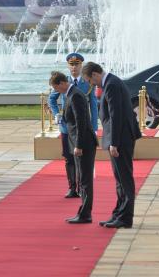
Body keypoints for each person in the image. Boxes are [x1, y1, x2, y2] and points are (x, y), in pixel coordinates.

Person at [82, 62, 142, 229]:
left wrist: (114, 143)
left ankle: (125, 218)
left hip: (120, 140)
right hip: (119, 138)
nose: (91, 84)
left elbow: (116, 116)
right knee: (120, 180)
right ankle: (119, 213)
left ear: (95, 74)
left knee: (124, 179)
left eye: (89, 80)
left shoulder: (112, 85)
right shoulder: (111, 83)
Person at [49, 71, 98, 224]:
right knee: (82, 178)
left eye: (56, 88)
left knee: (85, 179)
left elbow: (81, 122)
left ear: (62, 83)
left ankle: (86, 214)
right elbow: (71, 118)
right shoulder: (71, 94)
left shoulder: (75, 95)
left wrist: (78, 145)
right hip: (77, 140)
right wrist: (60, 117)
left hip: (83, 143)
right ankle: (84, 212)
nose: (57, 91)